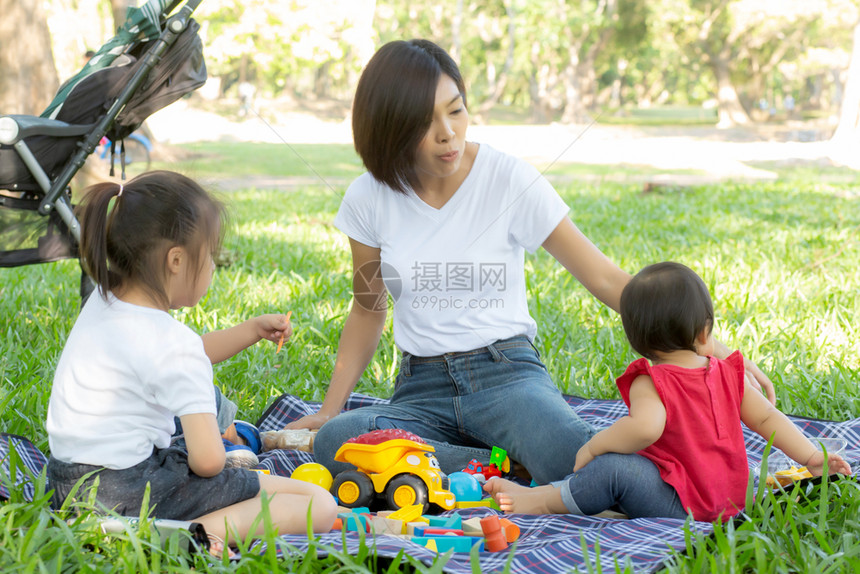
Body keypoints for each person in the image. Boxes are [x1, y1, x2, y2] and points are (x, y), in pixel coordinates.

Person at [286, 39, 775, 486]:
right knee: (337, 442)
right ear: (389, 128)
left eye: (456, 111)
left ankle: (490, 462)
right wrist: (331, 409)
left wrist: (716, 350)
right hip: (421, 389)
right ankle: (504, 465)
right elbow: (369, 308)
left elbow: (604, 277)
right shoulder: (369, 197)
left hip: (506, 375)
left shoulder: (507, 178)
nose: (447, 134)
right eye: (423, 124)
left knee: (583, 462)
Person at [46, 171, 336, 555]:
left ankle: (123, 526)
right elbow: (209, 462)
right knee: (319, 503)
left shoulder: (103, 301)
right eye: (211, 257)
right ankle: (196, 534)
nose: (214, 268)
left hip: (66, 486)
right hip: (132, 492)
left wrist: (249, 330)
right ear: (177, 260)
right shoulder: (173, 344)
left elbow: (172, 359)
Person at [484, 262, 852, 521]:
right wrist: (810, 456)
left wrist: (596, 444)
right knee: (749, 468)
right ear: (705, 333)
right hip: (735, 499)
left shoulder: (650, 380)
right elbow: (768, 417)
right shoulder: (728, 374)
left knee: (613, 468)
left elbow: (645, 428)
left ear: (636, 339)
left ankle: (541, 501)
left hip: (680, 505)